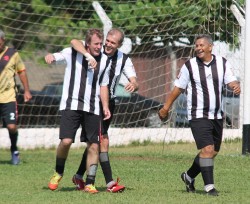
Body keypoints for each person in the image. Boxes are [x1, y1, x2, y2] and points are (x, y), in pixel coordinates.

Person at [158, 34, 240, 196]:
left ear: (210, 47)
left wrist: (235, 86)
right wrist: (166, 107)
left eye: (201, 45)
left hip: (216, 115)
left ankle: (188, 176)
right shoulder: (190, 66)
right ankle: (209, 187)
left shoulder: (222, 63)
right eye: (196, 46)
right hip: (198, 114)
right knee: (207, 149)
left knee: (212, 152)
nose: (198, 48)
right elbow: (178, 88)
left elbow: (231, 81)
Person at [70, 28, 139, 193]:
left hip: (109, 103)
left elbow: (134, 80)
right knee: (102, 141)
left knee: (94, 142)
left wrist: (133, 85)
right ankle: (107, 182)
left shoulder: (123, 59)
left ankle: (80, 176)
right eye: (107, 40)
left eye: (112, 43)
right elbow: (74, 42)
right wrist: (87, 55)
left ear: (120, 45)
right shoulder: (95, 48)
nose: (107, 44)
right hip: (91, 102)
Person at [45, 28, 111, 194]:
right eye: (96, 44)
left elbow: (104, 85)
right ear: (87, 44)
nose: (99, 47)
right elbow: (73, 42)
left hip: (93, 107)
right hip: (71, 105)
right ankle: (58, 172)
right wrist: (51, 57)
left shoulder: (104, 61)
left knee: (94, 145)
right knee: (66, 141)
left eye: (100, 44)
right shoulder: (73, 52)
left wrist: (105, 106)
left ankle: (90, 182)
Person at [0, 29, 32, 165]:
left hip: (9, 97)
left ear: (3, 40)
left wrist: (27, 91)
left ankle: (14, 150)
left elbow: (22, 72)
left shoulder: (12, 54)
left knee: (12, 126)